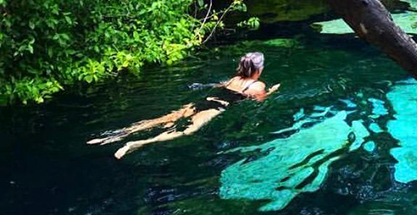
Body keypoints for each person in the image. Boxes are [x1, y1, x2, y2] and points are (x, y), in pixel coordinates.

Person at [88, 52, 279, 159]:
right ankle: (141, 142)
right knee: (188, 131)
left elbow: (221, 87)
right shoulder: (257, 86)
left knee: (161, 120)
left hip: (203, 101)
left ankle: (117, 134)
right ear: (258, 69)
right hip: (216, 108)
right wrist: (272, 91)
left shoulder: (235, 78)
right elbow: (259, 101)